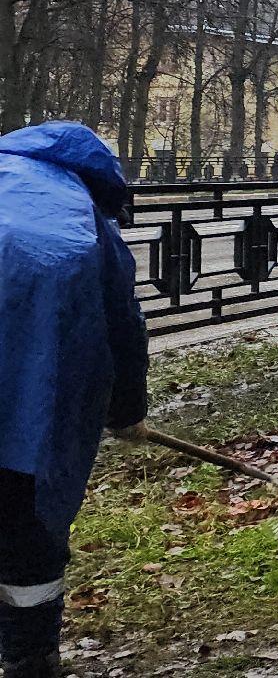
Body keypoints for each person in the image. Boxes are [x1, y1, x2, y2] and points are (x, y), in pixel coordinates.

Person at [0, 123, 148, 678]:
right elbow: (122, 327)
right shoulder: (80, 214)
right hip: (26, 404)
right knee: (25, 522)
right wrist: (127, 410)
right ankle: (29, 657)